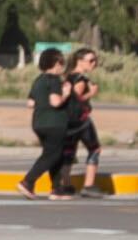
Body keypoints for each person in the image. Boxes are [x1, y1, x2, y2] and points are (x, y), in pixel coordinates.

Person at [19, 49, 79, 197]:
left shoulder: (38, 80)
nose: (63, 66)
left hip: (39, 123)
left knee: (55, 155)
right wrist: (65, 93)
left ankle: (56, 188)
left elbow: (30, 103)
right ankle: (28, 182)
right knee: (51, 155)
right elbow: (55, 102)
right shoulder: (54, 80)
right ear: (56, 63)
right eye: (62, 63)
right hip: (55, 123)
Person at [65, 48, 108, 192]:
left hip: (68, 121)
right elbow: (76, 100)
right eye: (91, 60)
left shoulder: (68, 76)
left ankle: (65, 184)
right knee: (95, 149)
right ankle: (89, 185)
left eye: (95, 60)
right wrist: (91, 93)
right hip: (81, 121)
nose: (94, 64)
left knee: (69, 151)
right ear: (80, 61)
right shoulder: (80, 79)